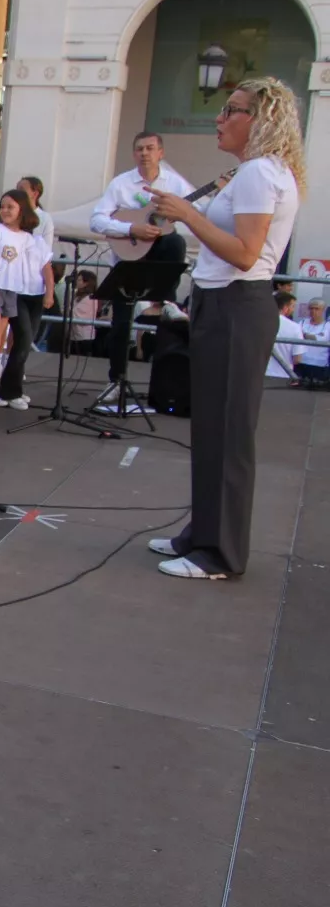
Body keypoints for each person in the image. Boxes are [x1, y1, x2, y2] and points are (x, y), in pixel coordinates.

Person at [146, 77, 303, 579]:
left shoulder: (259, 172)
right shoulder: (253, 172)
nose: (220, 118)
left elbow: (244, 253)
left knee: (228, 434)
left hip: (237, 305)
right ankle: (203, 535)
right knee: (212, 427)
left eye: (232, 111)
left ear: (261, 121)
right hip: (227, 305)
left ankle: (220, 554)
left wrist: (188, 213)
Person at [89, 132, 194, 397]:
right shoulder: (121, 184)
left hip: (160, 258)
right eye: (139, 149)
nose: (144, 153)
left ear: (161, 152)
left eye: (150, 148)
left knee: (175, 242)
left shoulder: (175, 183)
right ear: (134, 154)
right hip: (130, 258)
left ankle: (167, 303)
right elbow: (97, 220)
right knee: (121, 325)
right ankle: (116, 381)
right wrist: (131, 228)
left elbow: (199, 211)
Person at [0, 188, 54, 411]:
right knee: (15, 340)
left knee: (23, 342)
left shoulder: (32, 239)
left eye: (10, 207)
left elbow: (47, 267)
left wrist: (49, 293)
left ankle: (11, 389)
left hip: (31, 294)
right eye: (2, 206)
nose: (5, 210)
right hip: (13, 292)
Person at [266, 291, 304, 380]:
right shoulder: (295, 327)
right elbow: (297, 359)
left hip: (259, 373)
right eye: (292, 306)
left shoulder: (259, 322)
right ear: (285, 307)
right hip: (283, 374)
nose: (293, 310)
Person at [17, 175, 55, 257]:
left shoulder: (45, 218)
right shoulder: (13, 214)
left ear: (35, 194)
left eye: (21, 190)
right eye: (17, 189)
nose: (17, 193)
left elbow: (46, 250)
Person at [297, 298, 329, 387]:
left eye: (317, 309)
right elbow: (296, 336)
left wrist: (304, 335)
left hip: (319, 364)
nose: (313, 311)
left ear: (323, 310)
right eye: (311, 308)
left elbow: (320, 339)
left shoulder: (328, 326)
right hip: (302, 362)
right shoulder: (303, 322)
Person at [69, 271, 100, 358]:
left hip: (84, 337)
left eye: (79, 280)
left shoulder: (90, 298)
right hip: (74, 335)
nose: (77, 282)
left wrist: (68, 310)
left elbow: (77, 314)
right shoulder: (77, 296)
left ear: (86, 283)